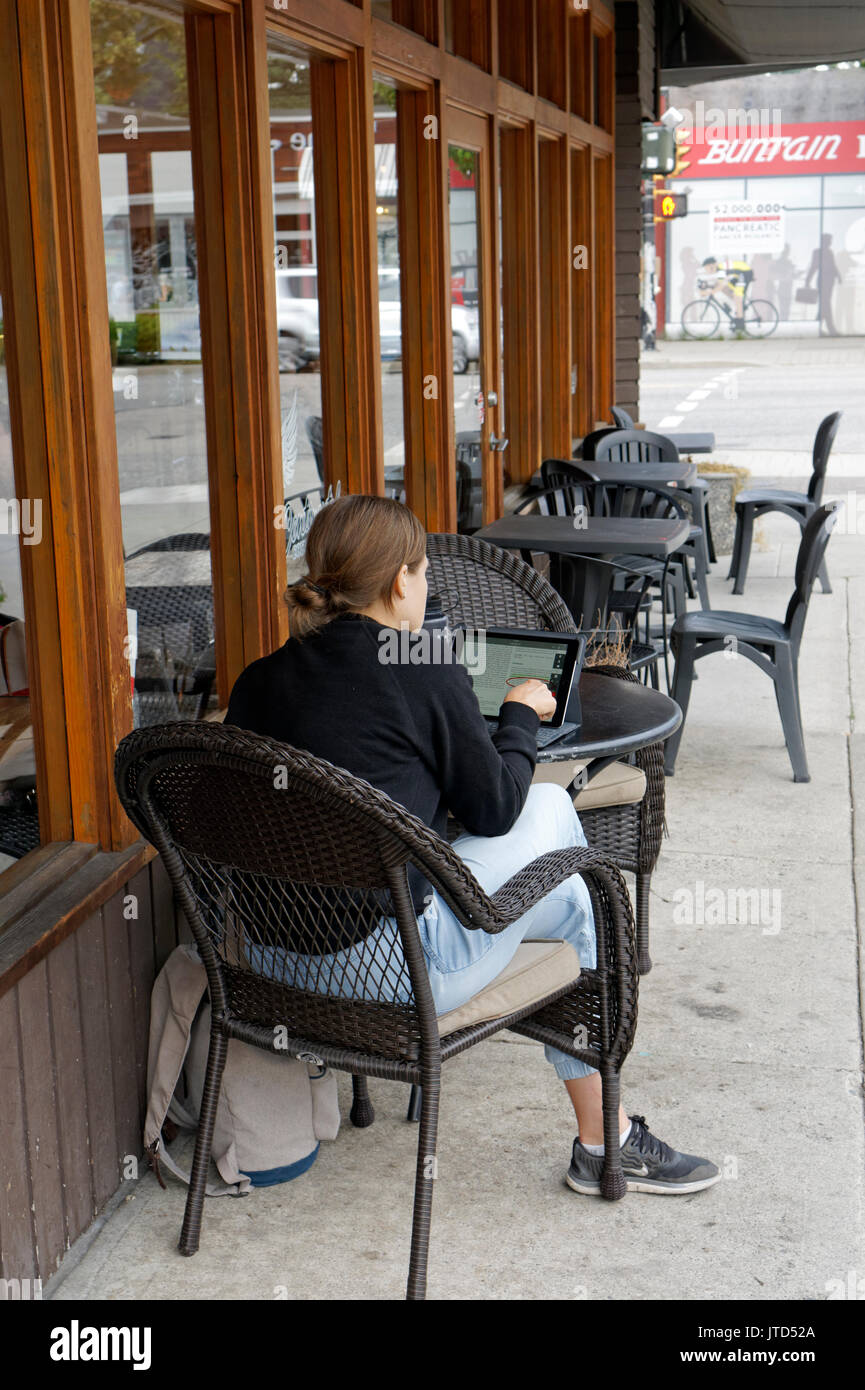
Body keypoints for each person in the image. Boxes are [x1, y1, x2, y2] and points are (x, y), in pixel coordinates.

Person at [226, 493, 720, 1197]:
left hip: (268, 965)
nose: (425, 587)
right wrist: (517, 714)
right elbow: (492, 810)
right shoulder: (421, 665)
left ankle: (602, 1137)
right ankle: (603, 1143)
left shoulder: (258, 680)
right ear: (401, 580)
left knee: (573, 898)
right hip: (392, 971)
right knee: (559, 832)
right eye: (423, 571)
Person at [805, 233, 841, 336]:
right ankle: (830, 329)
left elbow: (833, 265)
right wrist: (807, 280)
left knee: (824, 305)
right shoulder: (817, 252)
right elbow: (813, 266)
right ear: (824, 241)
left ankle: (817, 328)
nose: (830, 242)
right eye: (829, 240)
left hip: (830, 281)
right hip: (823, 281)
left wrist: (838, 276)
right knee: (826, 304)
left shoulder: (830, 252)